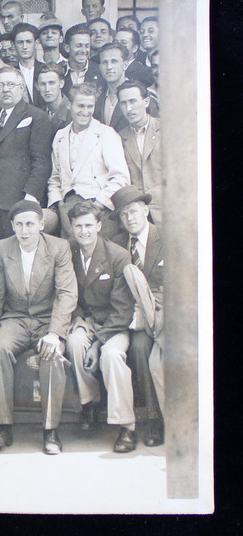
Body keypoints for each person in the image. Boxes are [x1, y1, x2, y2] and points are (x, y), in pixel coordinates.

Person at [0, 200, 78, 455]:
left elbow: (67, 292)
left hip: (47, 318)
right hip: (15, 317)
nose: (24, 231)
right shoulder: (0, 249)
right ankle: (3, 426)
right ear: (12, 226)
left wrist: (55, 333)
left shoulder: (59, 247)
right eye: (19, 225)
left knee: (51, 353)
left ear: (41, 224)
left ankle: (51, 430)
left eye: (30, 224)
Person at [63, 202, 137, 452]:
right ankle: (89, 403)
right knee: (73, 343)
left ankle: (126, 425)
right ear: (71, 228)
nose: (83, 231)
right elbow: (67, 293)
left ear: (98, 226)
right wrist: (78, 319)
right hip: (86, 319)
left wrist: (97, 342)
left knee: (112, 355)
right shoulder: (68, 252)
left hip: (114, 323)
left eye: (88, 225)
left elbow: (123, 309)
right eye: (78, 226)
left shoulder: (117, 255)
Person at [110, 186, 165, 447]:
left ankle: (156, 420)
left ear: (145, 210)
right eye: (123, 215)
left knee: (147, 349)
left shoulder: (164, 238)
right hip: (129, 317)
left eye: (133, 211)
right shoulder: (119, 245)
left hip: (163, 314)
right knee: (139, 347)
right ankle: (149, 419)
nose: (129, 218)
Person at [48, 82, 130, 240]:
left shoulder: (106, 133)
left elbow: (121, 177)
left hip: (99, 209)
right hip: (68, 212)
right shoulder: (60, 136)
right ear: (69, 105)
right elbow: (55, 178)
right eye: (80, 106)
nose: (85, 112)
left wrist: (97, 205)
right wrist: (60, 204)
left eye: (90, 106)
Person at [0, 67, 53, 245]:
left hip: (19, 199)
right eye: (0, 85)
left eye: (11, 84)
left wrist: (30, 197)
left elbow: (42, 162)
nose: (5, 89)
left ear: (21, 88)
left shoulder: (37, 116)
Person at [117, 81, 163, 224]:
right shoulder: (119, 137)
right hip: (138, 217)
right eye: (123, 103)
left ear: (146, 102)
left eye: (133, 101)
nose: (129, 108)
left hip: (167, 210)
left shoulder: (167, 128)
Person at [94, 42, 132, 133]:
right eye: (104, 62)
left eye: (114, 61)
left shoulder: (139, 94)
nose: (109, 67)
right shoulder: (97, 97)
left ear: (125, 65)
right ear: (100, 67)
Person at [62, 26, 102, 99]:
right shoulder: (60, 72)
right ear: (67, 48)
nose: (83, 50)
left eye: (87, 46)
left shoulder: (100, 71)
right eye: (78, 46)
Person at [11, 23, 46, 108]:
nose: (25, 47)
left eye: (29, 42)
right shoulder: (11, 72)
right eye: (20, 42)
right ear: (13, 44)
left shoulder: (46, 69)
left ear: (36, 43)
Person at [36, 62, 71, 130]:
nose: (47, 89)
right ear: (37, 86)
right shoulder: (38, 115)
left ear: (61, 83)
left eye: (51, 83)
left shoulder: (73, 113)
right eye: (42, 84)